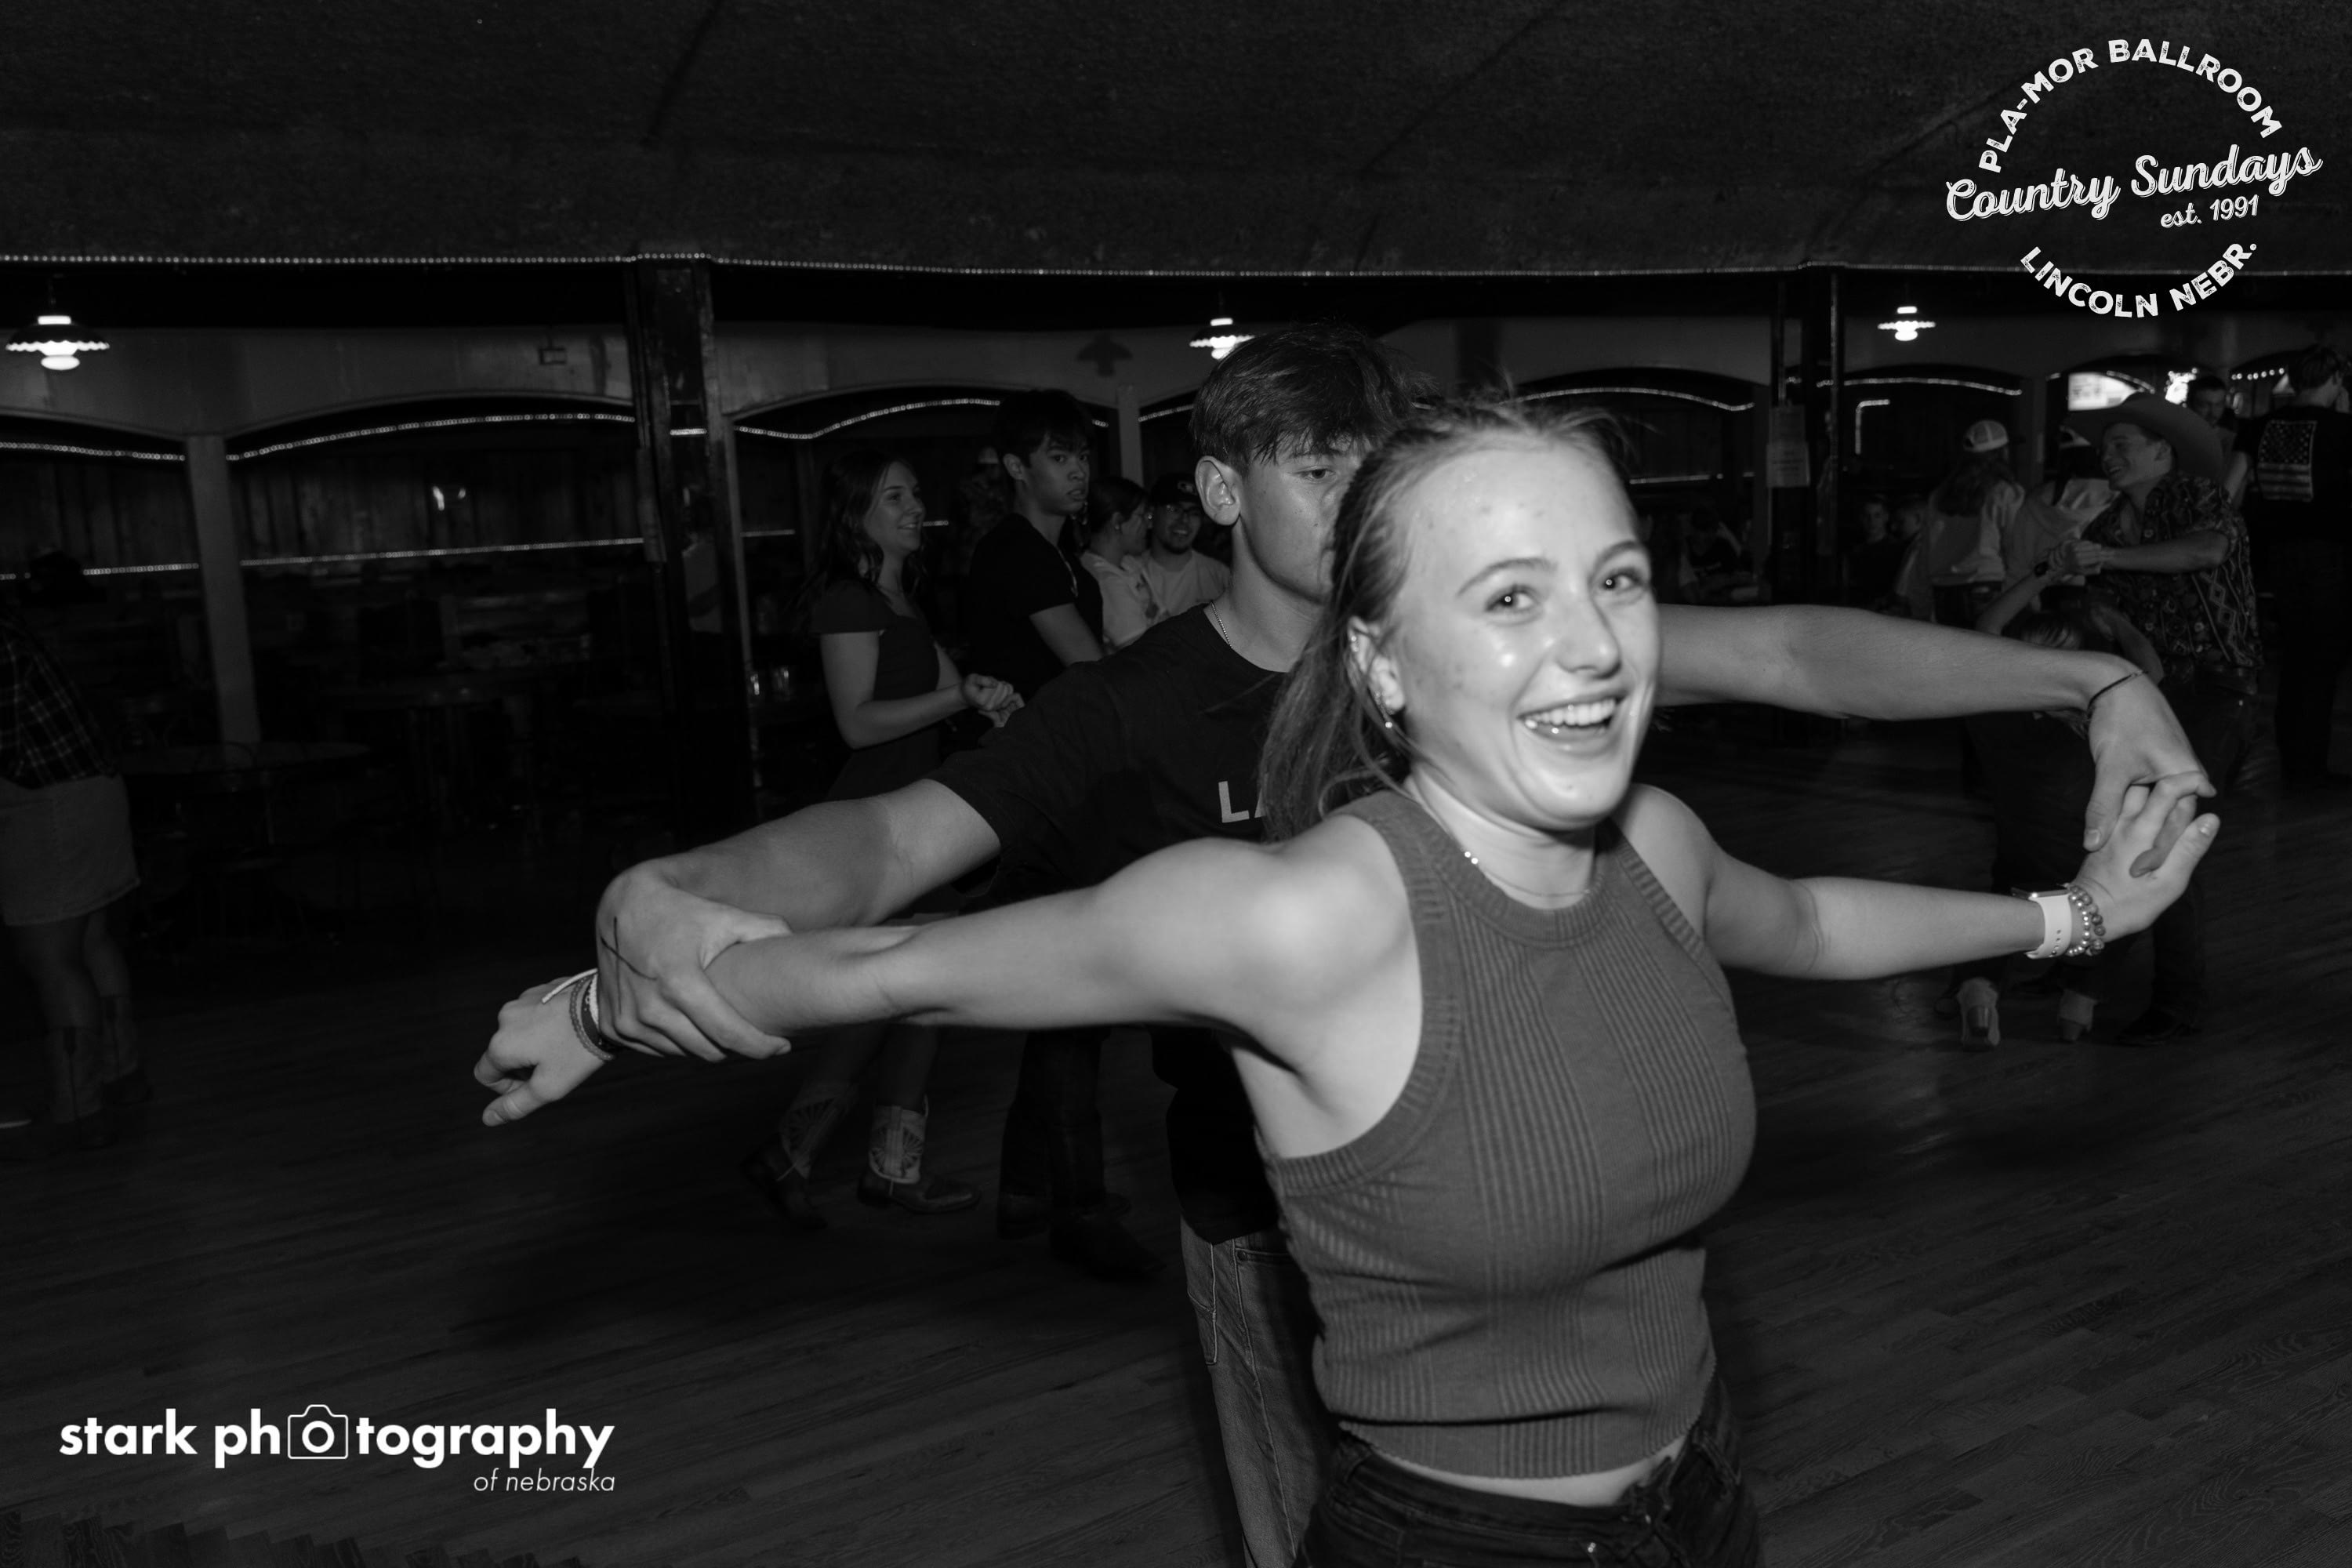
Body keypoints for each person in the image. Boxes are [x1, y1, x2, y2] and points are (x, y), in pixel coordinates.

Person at [487, 327, 2208, 1568]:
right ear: (1229, 494)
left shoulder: (1522, 675)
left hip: (1647, 1388)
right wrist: (651, 931)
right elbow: (886, 873)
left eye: (1607, 584)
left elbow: (1798, 677)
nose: (1584, 636)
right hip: (1278, 1230)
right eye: (1319, 464)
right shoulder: (1159, 727)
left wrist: (2090, 700)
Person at [739, 450, 1021, 1225]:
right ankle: (810, 1155)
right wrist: (957, 698)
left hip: (918, 823)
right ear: (856, 513)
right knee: (891, 994)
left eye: (916, 492)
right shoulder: (849, 600)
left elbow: (948, 689)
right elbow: (857, 723)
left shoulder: (901, 597)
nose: (914, 506)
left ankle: (873, 1165)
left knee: (919, 990)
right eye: (894, 496)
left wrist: (986, 699)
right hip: (875, 825)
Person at [2053, 393, 2261, 1045]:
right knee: (2131, 831)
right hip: (2157, 693)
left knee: (2166, 835)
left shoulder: (2193, 496)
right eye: (2105, 446)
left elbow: (2204, 552)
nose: (2108, 455)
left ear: (2162, 452)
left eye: (2123, 444)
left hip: (2219, 690)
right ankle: (2089, 978)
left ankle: (2170, 1000)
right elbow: (2111, 621)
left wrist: (2106, 564)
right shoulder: (2107, 526)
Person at [1950, 570, 2166, 1046]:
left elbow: (1984, 630)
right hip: (2085, 876)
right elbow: (2152, 671)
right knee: (2139, 896)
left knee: (2002, 904)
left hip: (2024, 866)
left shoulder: (1991, 713)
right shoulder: (2100, 721)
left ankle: (1979, 990)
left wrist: (2045, 573)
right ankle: (2080, 1000)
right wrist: (2116, 621)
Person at [0, 598, 142, 1158]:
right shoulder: (9, 625)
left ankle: (80, 1112)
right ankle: (120, 1074)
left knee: (51, 958)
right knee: (89, 942)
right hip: (87, 791)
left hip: (48, 805)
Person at [2230, 346, 2351, 790]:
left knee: (2296, 658)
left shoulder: (2258, 427)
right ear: (2335, 379)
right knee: (2322, 662)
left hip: (2277, 556)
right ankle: (2309, 768)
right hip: (2331, 555)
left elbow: (2229, 491)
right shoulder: (2344, 428)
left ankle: (2294, 762)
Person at [961, 390, 1105, 699]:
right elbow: (1090, 665)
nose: (1079, 472)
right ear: (1016, 467)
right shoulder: (1016, 550)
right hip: (1027, 725)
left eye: (1082, 457)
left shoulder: (1055, 550)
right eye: (1059, 458)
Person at [1901, 420, 2022, 626]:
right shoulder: (2005, 492)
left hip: (1945, 592)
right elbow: (2014, 548)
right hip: (1988, 586)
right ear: (2002, 452)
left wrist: (1920, 606)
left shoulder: (1940, 496)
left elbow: (1925, 553)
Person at [1070, 476, 1160, 650]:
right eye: (1143, 516)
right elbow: (1143, 652)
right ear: (1118, 522)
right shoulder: (1105, 581)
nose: (1149, 526)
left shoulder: (1129, 562)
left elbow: (1164, 615)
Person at [1138, 473, 1231, 618]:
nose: (1184, 520)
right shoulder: (1131, 573)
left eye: (1194, 513)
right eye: (1175, 509)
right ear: (1152, 513)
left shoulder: (1219, 576)